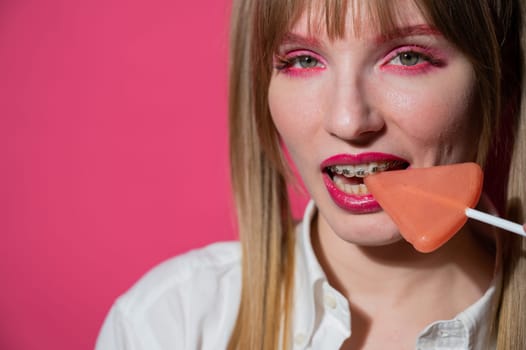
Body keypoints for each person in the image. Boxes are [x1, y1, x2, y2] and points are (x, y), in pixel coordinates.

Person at [95, 0, 526, 349]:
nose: (347, 120)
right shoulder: (167, 324)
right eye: (303, 60)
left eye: (407, 56)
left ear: (501, 78)